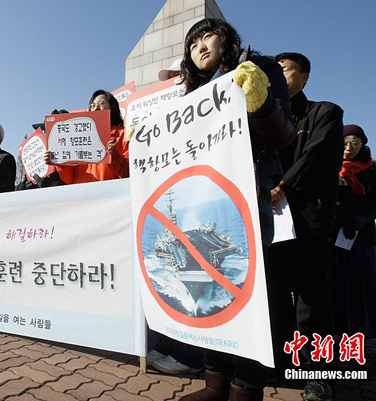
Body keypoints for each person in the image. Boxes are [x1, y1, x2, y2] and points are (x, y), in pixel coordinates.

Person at [152, 18, 295, 401]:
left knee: (250, 292)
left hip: (249, 189)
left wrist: (262, 104)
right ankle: (214, 384)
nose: (200, 46)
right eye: (192, 42)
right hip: (200, 194)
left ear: (226, 39)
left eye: (207, 36)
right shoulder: (188, 93)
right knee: (210, 295)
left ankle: (246, 388)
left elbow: (286, 135)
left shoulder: (257, 69)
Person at [269, 52, 344, 401]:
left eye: (286, 70)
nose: (280, 77)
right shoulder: (267, 117)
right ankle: (283, 362)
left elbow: (313, 156)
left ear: (305, 76)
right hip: (272, 217)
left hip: (308, 216)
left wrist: (282, 184)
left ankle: (319, 373)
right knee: (277, 293)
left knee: (312, 297)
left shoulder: (325, 112)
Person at [331, 124, 376, 339]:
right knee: (340, 285)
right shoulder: (330, 167)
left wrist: (363, 218)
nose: (349, 148)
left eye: (355, 143)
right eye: (345, 143)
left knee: (365, 285)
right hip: (338, 235)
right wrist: (346, 219)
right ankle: (342, 330)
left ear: (363, 144)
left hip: (363, 237)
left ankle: (365, 332)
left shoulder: (372, 170)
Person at [43, 90, 129, 184]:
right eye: (93, 105)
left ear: (113, 107)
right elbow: (70, 179)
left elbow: (129, 172)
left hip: (113, 195)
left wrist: (114, 156)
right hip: (82, 195)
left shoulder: (122, 135)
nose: (96, 107)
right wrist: (60, 162)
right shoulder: (78, 136)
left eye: (102, 103)